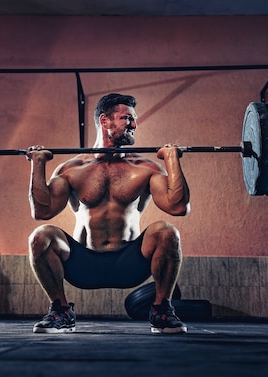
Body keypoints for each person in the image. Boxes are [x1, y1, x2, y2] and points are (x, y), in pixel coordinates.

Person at [26, 93, 190, 334]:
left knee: (167, 232)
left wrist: (172, 160)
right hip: (83, 264)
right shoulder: (73, 169)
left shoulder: (144, 168)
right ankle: (60, 310)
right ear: (105, 121)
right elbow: (42, 211)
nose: (134, 125)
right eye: (127, 118)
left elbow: (178, 207)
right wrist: (37, 163)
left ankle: (162, 310)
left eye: (134, 120)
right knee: (40, 236)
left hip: (130, 263)